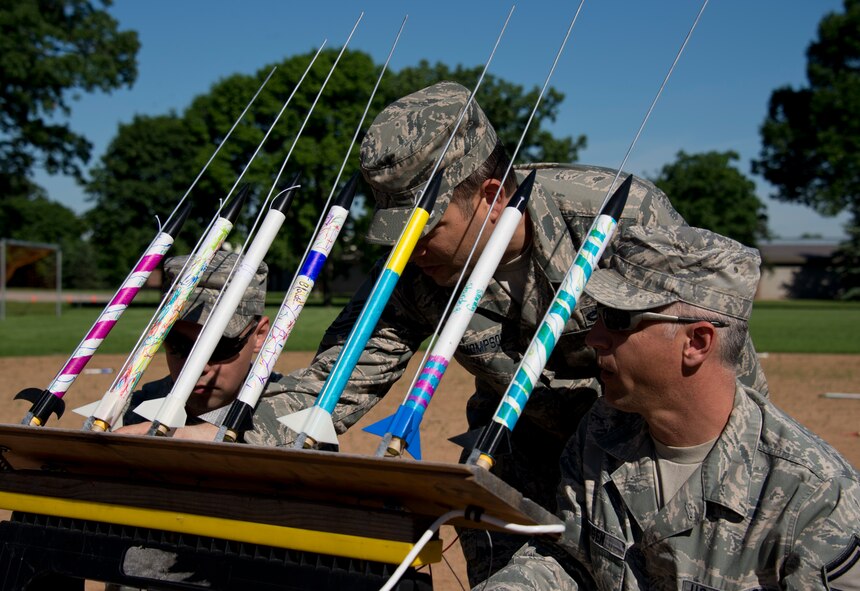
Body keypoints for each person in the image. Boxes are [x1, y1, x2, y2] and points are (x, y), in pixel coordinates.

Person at [244, 81, 769, 583]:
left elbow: (714, 365)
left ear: (492, 195)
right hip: (516, 456)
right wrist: (228, 437)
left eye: (424, 229)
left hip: (637, 459)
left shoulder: (616, 218)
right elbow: (333, 380)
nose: (409, 249)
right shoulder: (412, 271)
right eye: (394, 232)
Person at [477, 225, 860, 590]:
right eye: (596, 314)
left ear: (696, 342)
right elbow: (570, 558)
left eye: (616, 318)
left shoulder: (816, 500)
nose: (594, 337)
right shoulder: (603, 430)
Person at [115, 250, 280, 438]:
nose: (199, 367)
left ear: (259, 335)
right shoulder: (131, 413)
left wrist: (189, 436)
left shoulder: (295, 405)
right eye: (179, 346)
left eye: (220, 347)